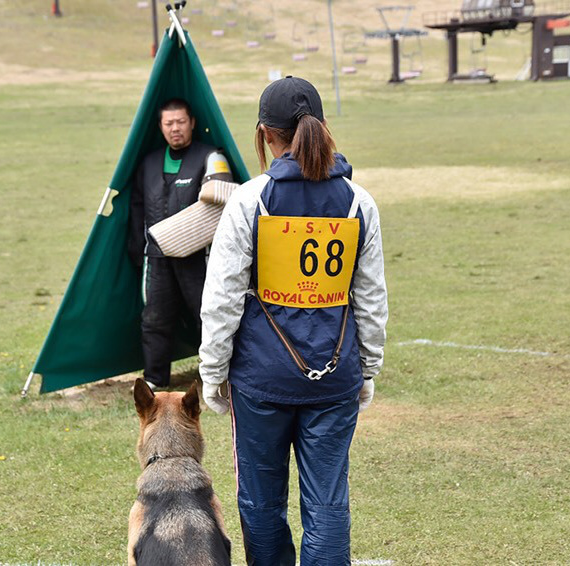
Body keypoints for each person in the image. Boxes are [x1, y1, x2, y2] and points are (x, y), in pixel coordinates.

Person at [198, 77, 388, 565]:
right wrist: (368, 368)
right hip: (334, 377)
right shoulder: (358, 202)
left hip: (261, 380)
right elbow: (369, 299)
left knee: (261, 503)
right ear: (321, 128)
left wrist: (212, 373)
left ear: (265, 133)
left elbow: (221, 298)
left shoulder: (249, 199)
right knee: (328, 503)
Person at [129, 98, 232, 390]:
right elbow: (137, 208)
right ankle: (154, 380)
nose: (175, 129)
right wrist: (137, 250)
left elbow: (222, 197)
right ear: (161, 127)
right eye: (169, 123)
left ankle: (216, 378)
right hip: (157, 258)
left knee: (208, 317)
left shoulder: (211, 156)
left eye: (181, 122)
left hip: (198, 257)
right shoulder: (148, 163)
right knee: (155, 319)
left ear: (192, 123)